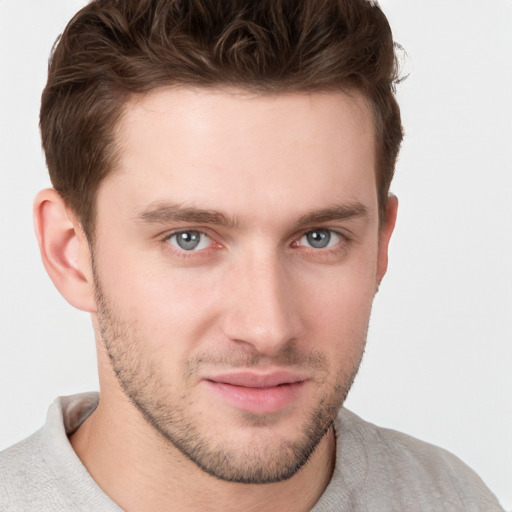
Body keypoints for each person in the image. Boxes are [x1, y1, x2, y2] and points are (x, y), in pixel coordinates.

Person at [0, 0, 505, 510]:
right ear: (70, 253)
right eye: (189, 238)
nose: (268, 328)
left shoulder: (454, 499)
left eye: (319, 237)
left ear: (379, 245)